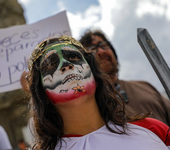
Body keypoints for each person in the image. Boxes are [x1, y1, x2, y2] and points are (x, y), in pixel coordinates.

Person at [26, 35, 170, 150]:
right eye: (50, 64)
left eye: (73, 57)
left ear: (95, 75)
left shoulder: (153, 130)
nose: (66, 65)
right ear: (41, 92)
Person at [79, 29, 170, 126]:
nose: (101, 51)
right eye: (92, 49)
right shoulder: (89, 105)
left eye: (103, 45)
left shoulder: (145, 86)